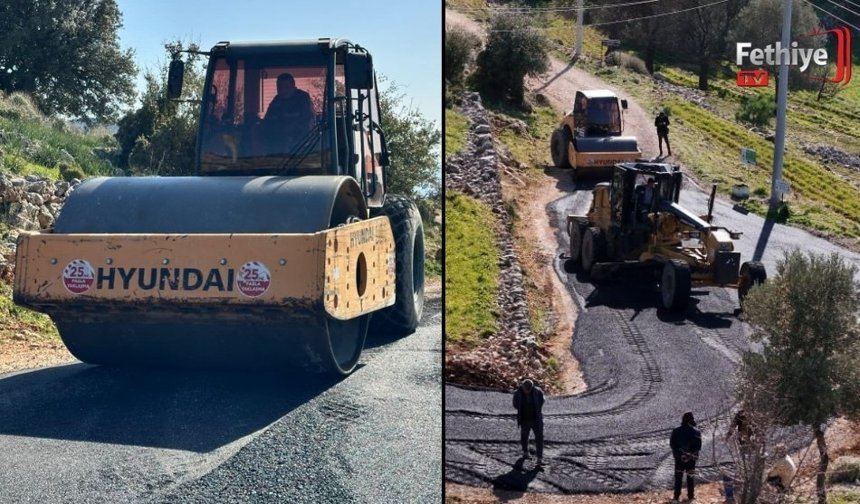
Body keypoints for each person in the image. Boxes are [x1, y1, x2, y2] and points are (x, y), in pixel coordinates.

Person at [263, 73, 314, 152]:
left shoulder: (303, 99)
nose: (283, 90)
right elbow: (267, 122)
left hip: (300, 148)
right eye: (280, 88)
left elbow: (307, 123)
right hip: (276, 147)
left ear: (294, 86)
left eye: (286, 87)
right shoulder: (276, 101)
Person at [670, 411, 702, 503]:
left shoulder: (676, 431)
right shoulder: (696, 431)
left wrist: (681, 454)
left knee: (678, 477)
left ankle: (676, 498)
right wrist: (690, 455)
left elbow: (672, 445)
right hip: (691, 459)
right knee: (690, 477)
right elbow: (698, 447)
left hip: (679, 458)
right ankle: (691, 497)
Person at [513, 378, 545, 465]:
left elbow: (542, 401)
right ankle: (525, 452)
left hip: (536, 419)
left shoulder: (538, 392)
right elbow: (515, 404)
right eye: (525, 389)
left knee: (539, 438)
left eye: (528, 390)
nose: (527, 392)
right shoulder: (518, 393)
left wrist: (537, 410)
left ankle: (539, 458)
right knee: (524, 437)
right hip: (524, 419)